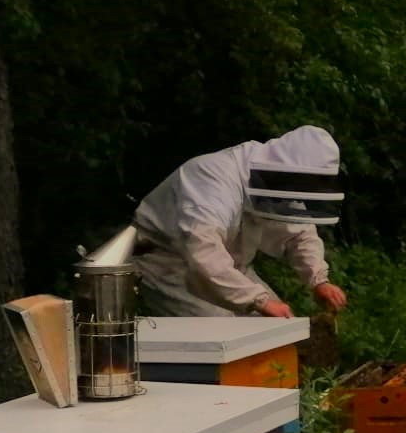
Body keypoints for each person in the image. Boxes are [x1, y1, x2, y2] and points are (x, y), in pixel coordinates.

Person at [132, 126, 348, 318]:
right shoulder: (213, 179)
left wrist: (319, 280)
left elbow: (299, 234)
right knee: (226, 342)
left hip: (229, 267)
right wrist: (259, 300)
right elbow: (202, 251)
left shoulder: (279, 180)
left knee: (276, 330)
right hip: (172, 265)